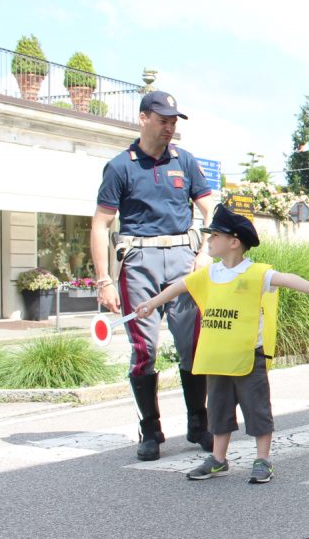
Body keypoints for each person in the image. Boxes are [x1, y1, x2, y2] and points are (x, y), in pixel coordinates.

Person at [133, 206, 309, 483]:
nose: (209, 240)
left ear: (233, 242)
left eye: (214, 235)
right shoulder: (210, 273)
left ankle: (263, 459)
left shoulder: (256, 273)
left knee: (257, 408)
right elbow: (179, 286)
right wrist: (152, 303)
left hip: (248, 356)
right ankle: (218, 460)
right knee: (218, 410)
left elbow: (285, 279)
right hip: (218, 358)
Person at [90, 91, 216, 461]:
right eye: (163, 120)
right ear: (144, 119)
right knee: (144, 349)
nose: (170, 127)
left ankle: (199, 424)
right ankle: (151, 431)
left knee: (193, 345)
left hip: (183, 260)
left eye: (174, 121)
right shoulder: (120, 166)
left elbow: (210, 209)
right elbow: (100, 224)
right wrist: (103, 280)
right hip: (139, 261)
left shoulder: (186, 162)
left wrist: (206, 253)